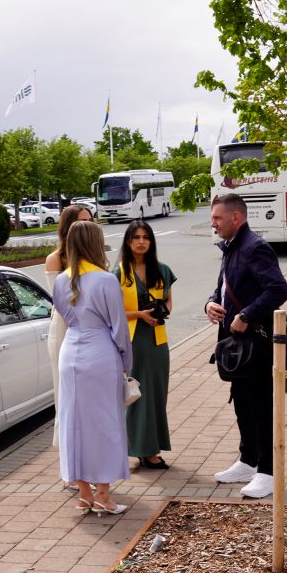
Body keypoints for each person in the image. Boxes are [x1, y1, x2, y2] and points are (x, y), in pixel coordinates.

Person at [204, 193, 287, 500]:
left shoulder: (255, 247)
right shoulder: (231, 248)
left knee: (261, 405)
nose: (213, 224)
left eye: (217, 218)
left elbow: (278, 289)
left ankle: (267, 472)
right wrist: (210, 304)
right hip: (236, 345)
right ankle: (248, 460)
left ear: (236, 218)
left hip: (256, 342)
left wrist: (246, 314)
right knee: (242, 401)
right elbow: (222, 288)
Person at [53, 219, 133, 515]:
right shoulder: (105, 279)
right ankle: (103, 495)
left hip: (70, 353)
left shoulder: (61, 280)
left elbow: (64, 316)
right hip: (100, 353)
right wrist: (126, 363)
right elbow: (119, 328)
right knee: (106, 423)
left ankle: (84, 493)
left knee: (73, 423)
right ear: (96, 244)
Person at [118, 221, 176, 469]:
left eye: (146, 237)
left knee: (157, 395)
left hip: (157, 341)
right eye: (136, 237)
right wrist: (139, 315)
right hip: (133, 341)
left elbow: (169, 300)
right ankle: (143, 450)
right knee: (136, 395)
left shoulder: (162, 270)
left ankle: (152, 446)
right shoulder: (119, 274)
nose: (141, 242)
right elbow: (114, 312)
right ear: (128, 241)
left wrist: (163, 312)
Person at [46, 205, 91, 466]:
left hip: (90, 332)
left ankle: (86, 459)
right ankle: (68, 462)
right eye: (82, 221)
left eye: (90, 221)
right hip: (65, 329)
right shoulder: (56, 259)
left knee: (86, 399)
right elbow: (62, 303)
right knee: (65, 396)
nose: (87, 226)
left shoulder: (95, 258)